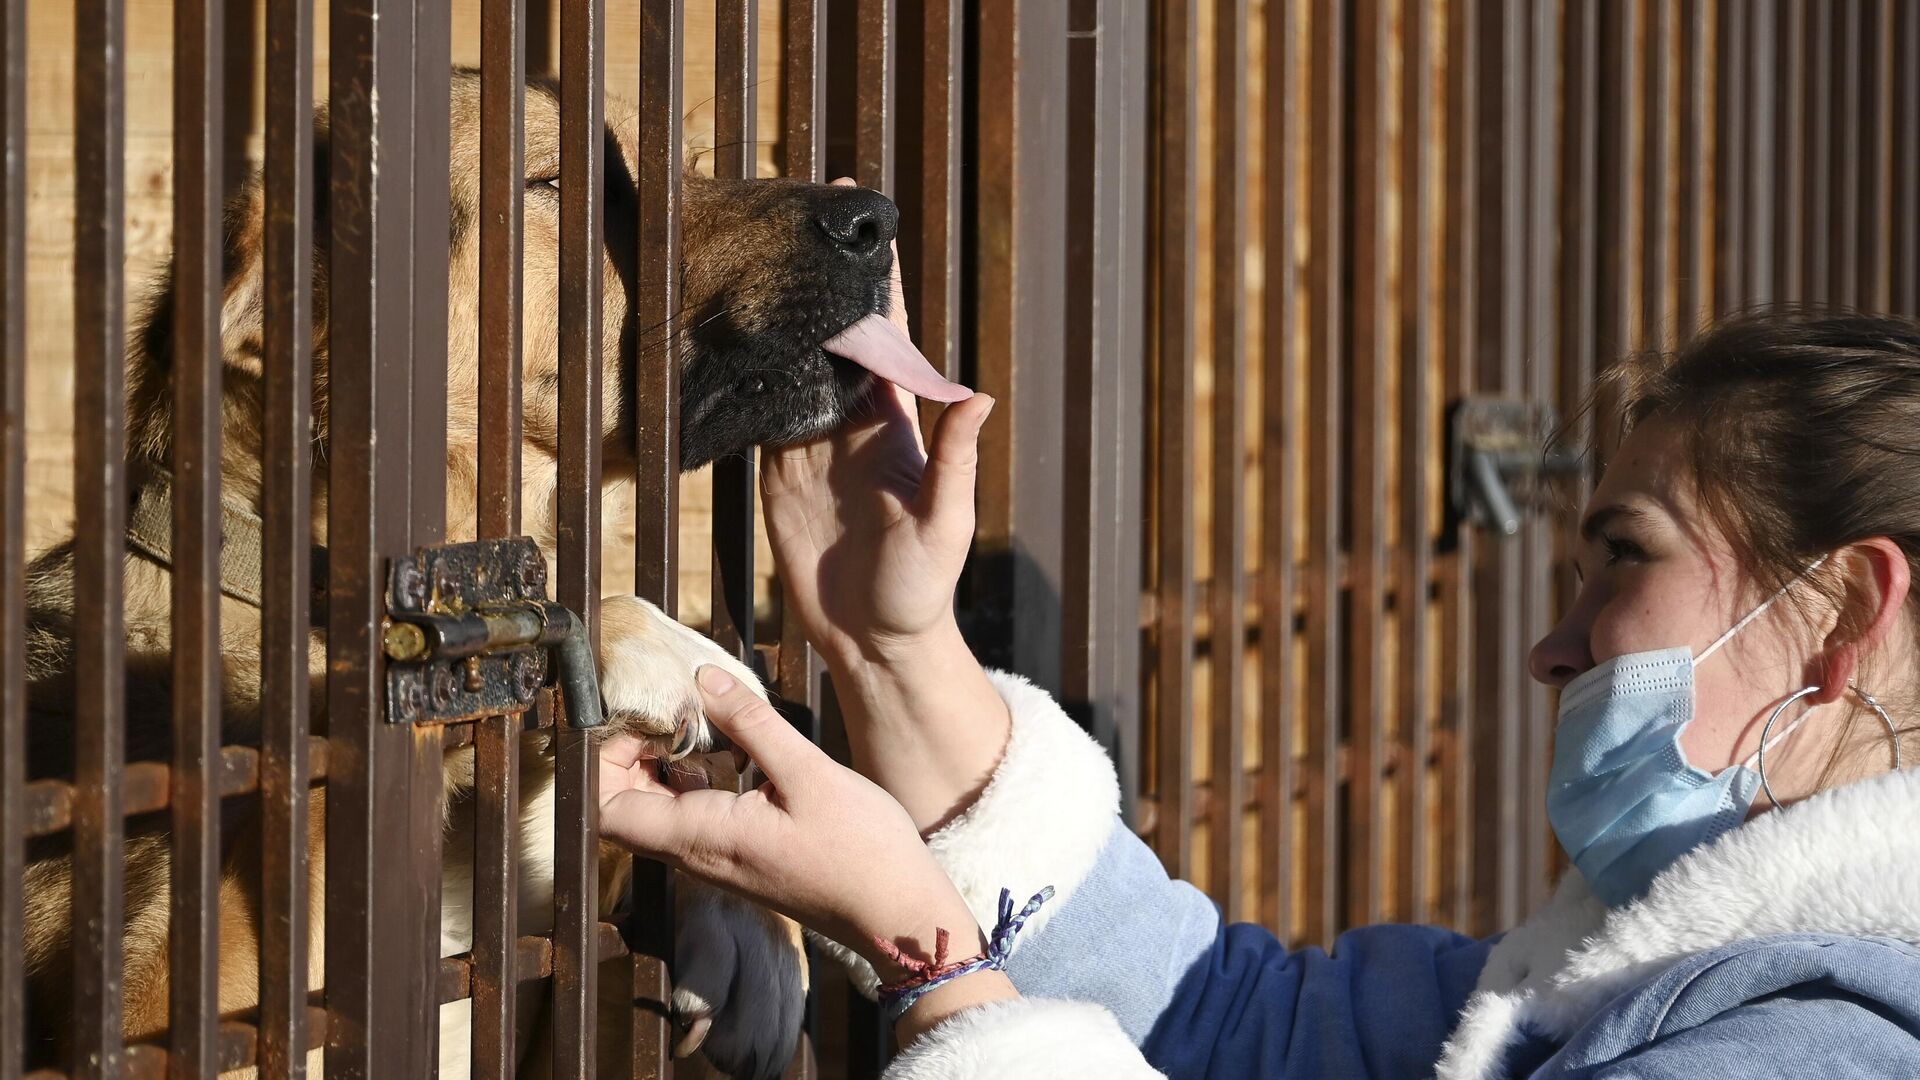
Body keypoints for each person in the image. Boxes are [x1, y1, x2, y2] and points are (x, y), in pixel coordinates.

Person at [600, 301, 1920, 1078]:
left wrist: (923, 952)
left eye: (1622, 555)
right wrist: (895, 647)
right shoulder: (1642, 978)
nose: (1554, 646)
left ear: (1843, 616)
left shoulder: (1814, 1053)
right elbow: (1237, 1028)